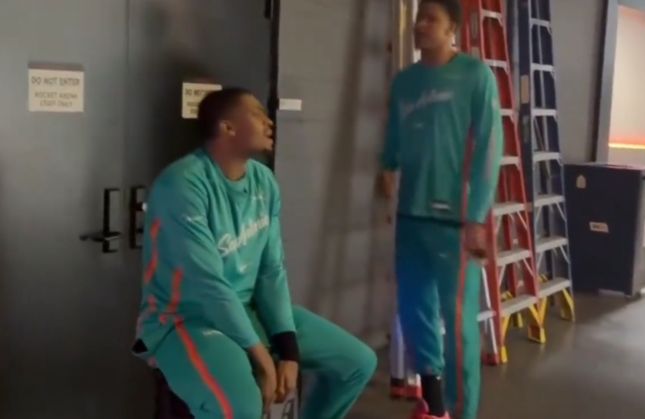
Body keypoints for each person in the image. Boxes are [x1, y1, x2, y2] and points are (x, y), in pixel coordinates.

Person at [132, 87, 377, 419]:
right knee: (242, 407)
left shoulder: (264, 181)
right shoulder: (182, 184)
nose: (268, 122)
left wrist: (288, 351)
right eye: (258, 115)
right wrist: (263, 359)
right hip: (184, 319)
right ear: (228, 127)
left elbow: (271, 270)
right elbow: (209, 285)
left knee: (357, 363)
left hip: (248, 310)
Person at [379, 1, 503, 419]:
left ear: (453, 28)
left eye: (431, 19)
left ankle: (461, 410)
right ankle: (435, 405)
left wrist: (477, 217)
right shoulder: (405, 82)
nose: (420, 25)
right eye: (419, 18)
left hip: (458, 221)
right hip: (412, 216)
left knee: (459, 324)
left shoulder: (475, 76)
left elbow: (489, 148)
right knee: (414, 313)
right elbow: (394, 134)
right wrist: (387, 166)